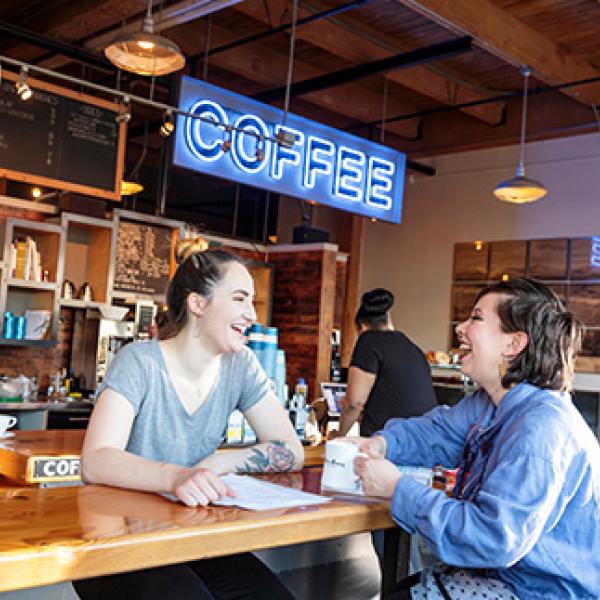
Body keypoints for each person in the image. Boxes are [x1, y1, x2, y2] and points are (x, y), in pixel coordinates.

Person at [75, 241, 303, 600]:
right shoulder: (140, 361)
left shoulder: (241, 365)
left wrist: (221, 462)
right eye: (240, 299)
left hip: (191, 533)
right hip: (117, 540)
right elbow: (96, 459)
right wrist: (178, 476)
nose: (252, 315)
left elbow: (291, 450)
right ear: (197, 304)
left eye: (251, 302)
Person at [354, 278, 600, 599]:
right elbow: (438, 432)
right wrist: (381, 444)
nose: (461, 329)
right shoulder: (491, 402)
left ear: (513, 345)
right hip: (506, 578)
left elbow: (492, 539)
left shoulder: (540, 430)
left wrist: (397, 488)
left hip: (540, 592)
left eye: (476, 318)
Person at [334, 288, 436, 438]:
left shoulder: (368, 340)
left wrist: (339, 435)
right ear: (389, 320)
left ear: (361, 327)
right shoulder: (411, 346)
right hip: (424, 440)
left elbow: (354, 402)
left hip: (390, 444)